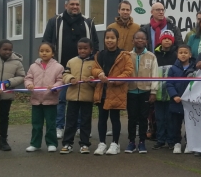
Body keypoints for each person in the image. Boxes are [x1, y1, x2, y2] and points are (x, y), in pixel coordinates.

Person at [42, 0, 99, 140]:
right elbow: (46, 42)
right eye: (72, 4)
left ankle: (80, 127)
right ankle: (60, 126)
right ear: (65, 5)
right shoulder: (55, 21)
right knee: (61, 99)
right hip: (60, 67)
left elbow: (96, 44)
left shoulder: (88, 22)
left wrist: (94, 61)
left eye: (77, 4)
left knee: (81, 99)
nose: (75, 7)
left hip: (84, 68)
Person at [92, 28, 134, 156]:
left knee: (115, 118)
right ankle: (102, 143)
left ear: (117, 39)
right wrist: (99, 74)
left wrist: (114, 80)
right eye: (107, 38)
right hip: (102, 91)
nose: (109, 40)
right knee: (102, 118)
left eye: (112, 38)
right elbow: (94, 68)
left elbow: (128, 71)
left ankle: (115, 143)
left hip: (116, 91)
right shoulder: (100, 54)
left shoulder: (124, 55)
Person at [25, 43, 64, 153]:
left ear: (53, 53)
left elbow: (61, 80)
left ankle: (51, 143)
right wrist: (29, 85)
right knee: (36, 124)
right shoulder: (33, 66)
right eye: (42, 51)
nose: (44, 53)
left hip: (50, 100)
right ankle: (35, 144)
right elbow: (28, 78)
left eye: (47, 51)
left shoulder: (58, 67)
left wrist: (55, 87)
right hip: (36, 100)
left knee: (51, 124)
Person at [60, 38, 96, 154]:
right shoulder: (71, 61)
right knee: (70, 121)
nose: (82, 51)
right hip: (72, 96)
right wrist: (71, 79)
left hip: (87, 97)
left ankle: (85, 144)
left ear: (91, 49)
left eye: (85, 48)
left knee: (85, 121)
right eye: (80, 48)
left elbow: (96, 78)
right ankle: (67, 143)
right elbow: (65, 74)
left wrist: (91, 80)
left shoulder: (94, 63)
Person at [126, 31, 158, 154]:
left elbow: (155, 74)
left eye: (143, 38)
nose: (140, 40)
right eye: (137, 38)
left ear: (146, 41)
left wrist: (153, 91)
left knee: (143, 118)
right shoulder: (128, 55)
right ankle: (131, 142)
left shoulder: (151, 56)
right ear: (133, 40)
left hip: (145, 90)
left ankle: (142, 142)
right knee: (132, 117)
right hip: (131, 90)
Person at [166, 45, 196, 154]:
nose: (183, 54)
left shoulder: (194, 69)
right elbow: (169, 84)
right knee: (175, 124)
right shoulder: (172, 69)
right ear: (177, 55)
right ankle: (176, 143)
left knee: (189, 124)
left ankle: (189, 143)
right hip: (176, 102)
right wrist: (174, 96)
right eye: (180, 52)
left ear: (190, 55)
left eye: (185, 52)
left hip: (189, 102)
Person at [153, 31, 178, 150]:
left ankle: (170, 140)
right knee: (159, 118)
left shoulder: (176, 54)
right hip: (158, 91)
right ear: (160, 40)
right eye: (164, 39)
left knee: (170, 118)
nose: (167, 41)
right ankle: (160, 139)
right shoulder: (155, 54)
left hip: (170, 92)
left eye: (169, 39)